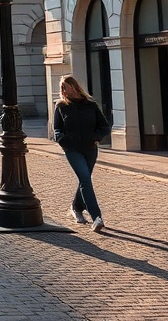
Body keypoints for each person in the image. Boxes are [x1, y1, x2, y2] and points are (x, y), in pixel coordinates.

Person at [53, 74, 111, 233]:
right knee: (85, 179)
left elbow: (104, 126)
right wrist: (63, 142)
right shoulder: (60, 106)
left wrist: (97, 138)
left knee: (84, 180)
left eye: (66, 86)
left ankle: (76, 207)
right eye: (62, 88)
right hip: (72, 149)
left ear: (74, 86)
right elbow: (57, 130)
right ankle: (97, 217)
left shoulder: (90, 105)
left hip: (90, 148)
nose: (64, 90)